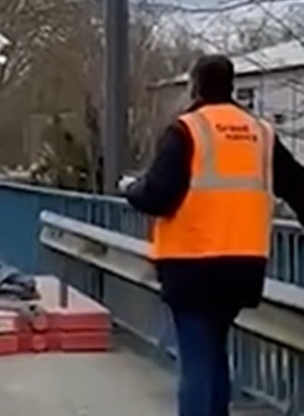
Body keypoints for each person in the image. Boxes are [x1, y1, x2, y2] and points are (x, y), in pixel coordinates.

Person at [122, 54, 304, 416]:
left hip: (191, 263)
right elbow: (298, 187)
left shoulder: (187, 130)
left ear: (195, 85)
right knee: (214, 350)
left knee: (196, 361)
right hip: (244, 266)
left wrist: (130, 189)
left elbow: (158, 196)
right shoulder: (261, 133)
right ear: (232, 85)